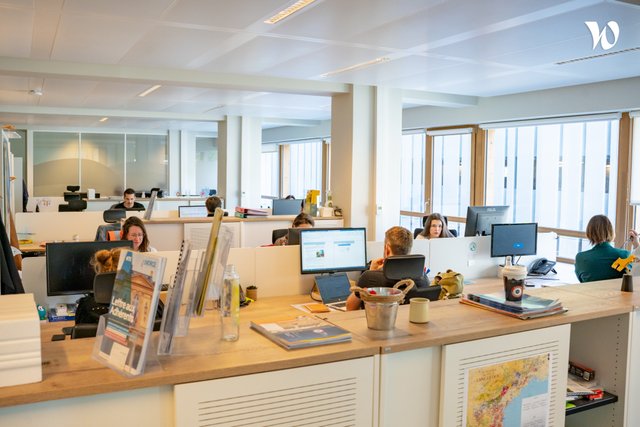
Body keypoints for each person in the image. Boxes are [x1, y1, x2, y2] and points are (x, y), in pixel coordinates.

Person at [346, 226, 429, 310]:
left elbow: (350, 307)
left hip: (379, 318)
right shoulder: (422, 277)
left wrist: (371, 271)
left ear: (387, 249)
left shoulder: (369, 278)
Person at [575, 215, 629, 283]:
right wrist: (637, 245)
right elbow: (635, 275)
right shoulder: (624, 255)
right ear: (611, 231)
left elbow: (581, 280)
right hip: (616, 290)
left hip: (590, 290)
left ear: (589, 233)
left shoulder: (581, 257)